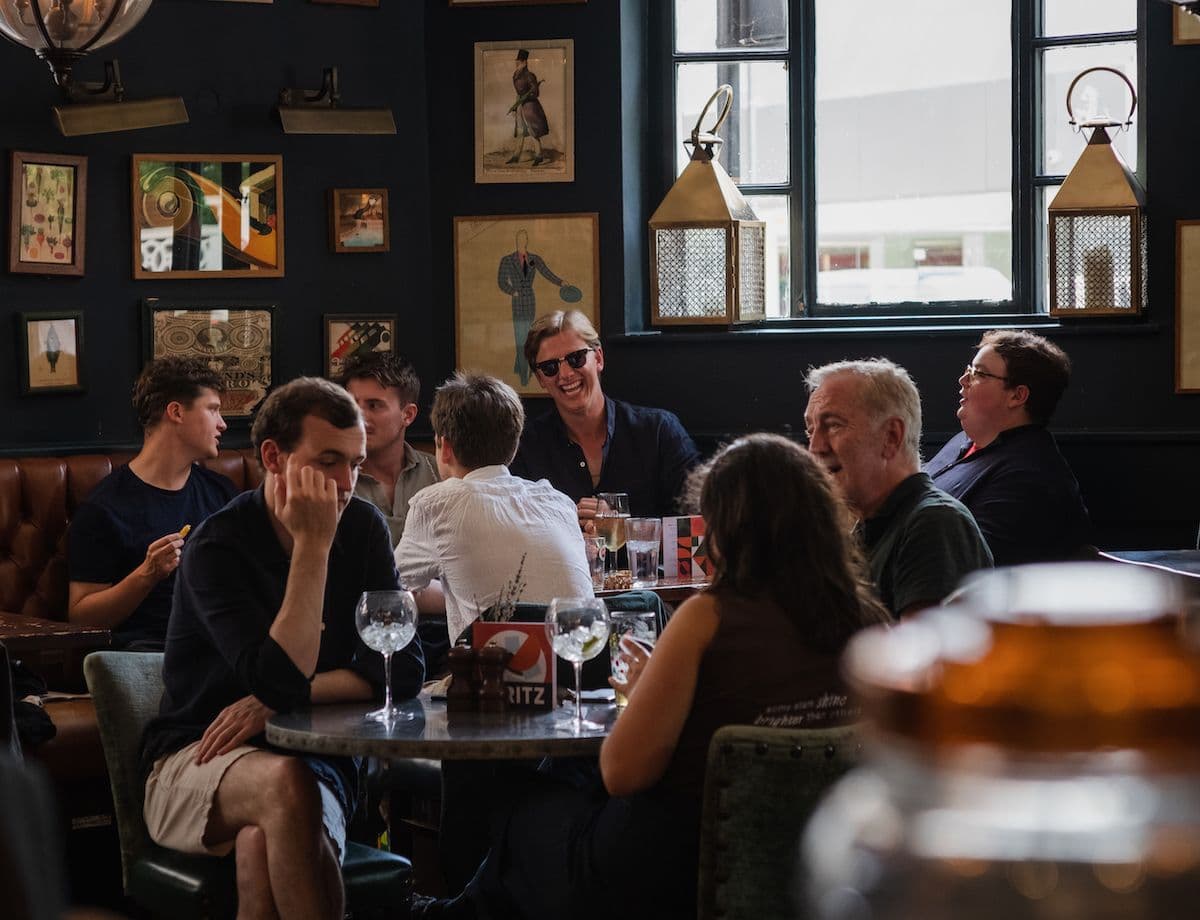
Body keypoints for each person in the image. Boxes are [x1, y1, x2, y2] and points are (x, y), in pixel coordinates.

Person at [413, 434, 890, 920]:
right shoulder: (870, 622)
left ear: (729, 528)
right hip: (812, 868)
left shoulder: (708, 617)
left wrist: (642, 694)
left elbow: (622, 773)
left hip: (669, 868)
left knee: (520, 803)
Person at [140, 377, 425, 920]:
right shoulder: (218, 545)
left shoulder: (363, 528)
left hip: (320, 760)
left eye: (356, 464)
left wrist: (278, 701)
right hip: (199, 755)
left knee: (261, 842)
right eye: (328, 462)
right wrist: (314, 546)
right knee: (285, 787)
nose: (345, 484)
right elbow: (277, 679)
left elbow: (402, 669)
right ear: (273, 457)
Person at [395, 372, 593, 646]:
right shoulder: (558, 501)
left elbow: (389, 588)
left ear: (445, 447)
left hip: (493, 668)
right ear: (514, 445)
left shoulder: (436, 504)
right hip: (580, 664)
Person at [67, 357, 237, 651]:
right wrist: (148, 574)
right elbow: (82, 618)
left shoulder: (222, 493)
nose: (222, 424)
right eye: (213, 409)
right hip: (145, 654)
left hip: (219, 650)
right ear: (176, 412)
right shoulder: (104, 507)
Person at [804, 358, 992, 617]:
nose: (815, 447)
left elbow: (921, 642)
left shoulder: (935, 523)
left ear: (891, 436)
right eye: (810, 431)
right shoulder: (858, 525)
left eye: (833, 425)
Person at [510, 310, 701, 523]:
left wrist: (620, 526)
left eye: (576, 358)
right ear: (540, 379)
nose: (565, 374)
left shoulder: (659, 432)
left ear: (598, 358)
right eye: (550, 367)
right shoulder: (525, 448)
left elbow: (697, 525)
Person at [924, 330, 1091, 566]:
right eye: (969, 370)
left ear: (1017, 396)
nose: (963, 380)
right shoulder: (963, 441)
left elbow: (968, 564)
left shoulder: (1030, 477)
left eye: (979, 373)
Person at [338, 351, 439, 547]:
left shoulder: (439, 473)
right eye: (351, 404)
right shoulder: (333, 479)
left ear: (408, 415)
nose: (358, 416)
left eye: (374, 405)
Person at [497, 229, 566, 386]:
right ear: (516, 241)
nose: (521, 242)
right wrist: (512, 291)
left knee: (528, 337)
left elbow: (546, 272)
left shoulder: (534, 259)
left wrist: (561, 282)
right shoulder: (507, 260)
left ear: (526, 241)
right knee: (519, 337)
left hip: (530, 301)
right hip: (517, 303)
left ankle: (522, 369)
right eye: (519, 239)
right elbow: (501, 281)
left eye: (524, 239)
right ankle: (523, 375)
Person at [507, 49, 549, 167]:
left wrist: (526, 97)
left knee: (533, 131)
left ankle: (539, 156)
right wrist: (517, 104)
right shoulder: (516, 75)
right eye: (517, 61)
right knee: (520, 131)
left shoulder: (530, 76)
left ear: (525, 62)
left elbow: (535, 93)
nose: (517, 63)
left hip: (530, 107)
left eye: (519, 61)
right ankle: (516, 156)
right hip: (520, 105)